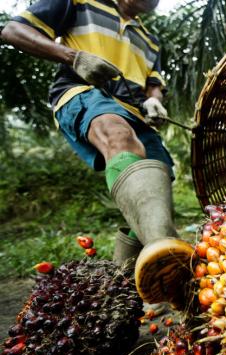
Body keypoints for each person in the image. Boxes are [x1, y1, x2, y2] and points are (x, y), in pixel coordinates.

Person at [1, 0, 194, 305]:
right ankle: (169, 262)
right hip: (85, 93)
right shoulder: (80, 2)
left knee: (157, 185)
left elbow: (154, 83)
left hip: (138, 114)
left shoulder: (151, 39)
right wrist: (74, 57)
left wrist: (154, 100)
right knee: (117, 135)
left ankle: (121, 294)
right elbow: (13, 30)